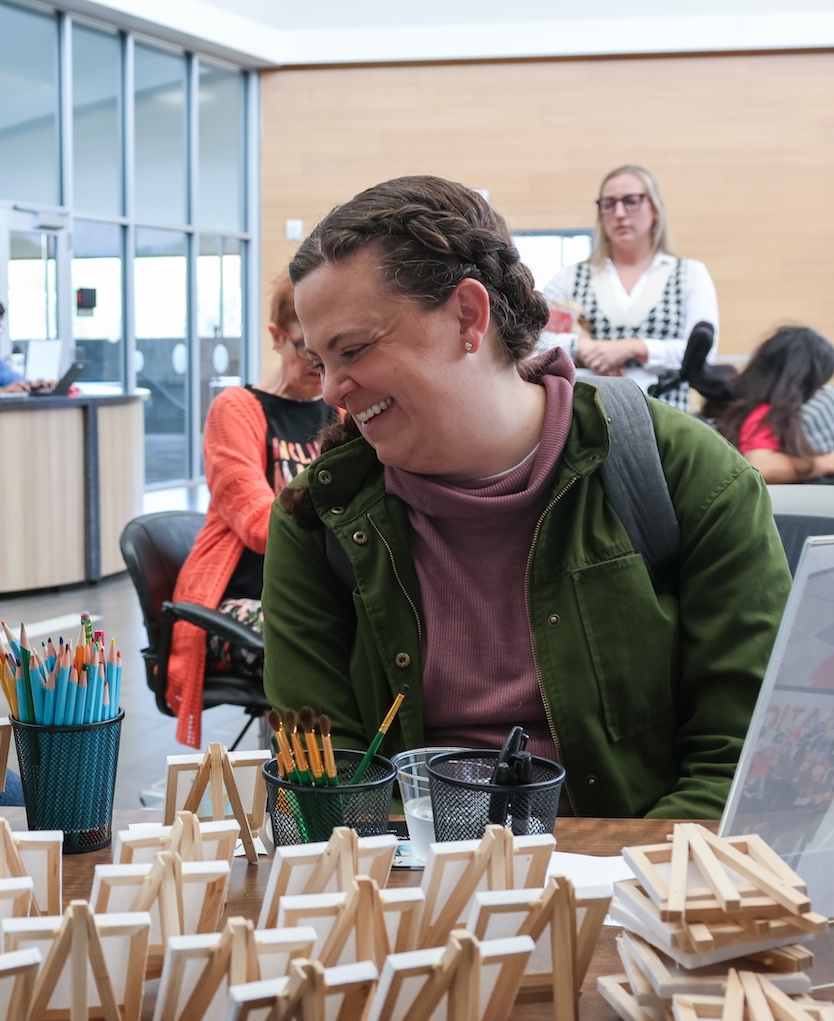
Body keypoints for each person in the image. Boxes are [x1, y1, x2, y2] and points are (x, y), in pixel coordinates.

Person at [263, 175, 791, 820]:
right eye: (320, 361)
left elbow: (744, 758)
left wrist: (612, 895)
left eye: (352, 349)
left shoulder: (685, 476)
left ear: (467, 315)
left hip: (648, 894)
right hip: (410, 891)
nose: (331, 391)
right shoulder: (319, 519)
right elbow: (323, 781)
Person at [165, 273, 337, 747]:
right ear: (277, 337)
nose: (319, 364)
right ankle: (304, 782)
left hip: (314, 587)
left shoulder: (341, 410)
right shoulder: (237, 410)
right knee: (334, 631)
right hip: (241, 599)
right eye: (306, 347)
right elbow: (263, 526)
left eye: (332, 349)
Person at [539, 165, 719, 411]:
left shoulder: (690, 274)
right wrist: (580, 346)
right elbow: (535, 340)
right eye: (609, 204)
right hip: (590, 423)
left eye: (631, 201)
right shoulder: (570, 277)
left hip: (667, 423)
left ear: (655, 209)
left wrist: (633, 348)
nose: (620, 213)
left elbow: (704, 353)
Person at [704, 326, 834, 484]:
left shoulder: (748, 406)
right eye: (817, 385)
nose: (818, 392)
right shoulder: (763, 413)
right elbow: (760, 465)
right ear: (803, 381)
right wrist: (826, 463)